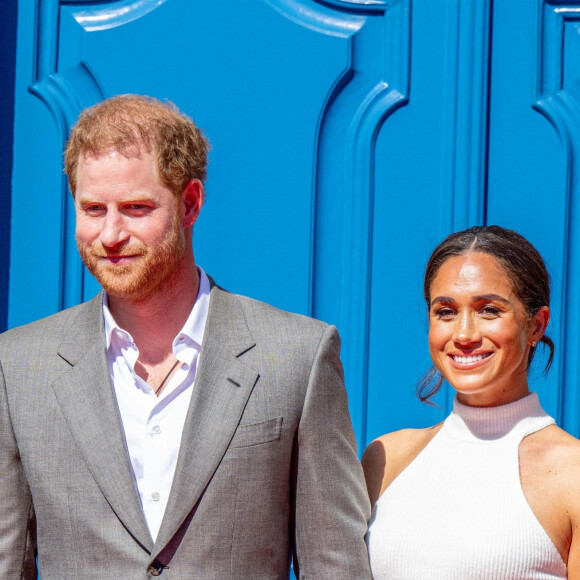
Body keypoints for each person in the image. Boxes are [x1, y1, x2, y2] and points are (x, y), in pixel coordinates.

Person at [0, 94, 372, 579]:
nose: (110, 235)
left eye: (135, 208)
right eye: (93, 209)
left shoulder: (297, 356)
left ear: (191, 203)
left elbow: (334, 563)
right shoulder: (19, 365)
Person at [363, 225, 580, 579]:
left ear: (537, 325)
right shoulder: (385, 458)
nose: (463, 335)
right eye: (445, 312)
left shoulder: (573, 473)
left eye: (489, 310)